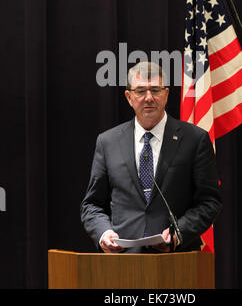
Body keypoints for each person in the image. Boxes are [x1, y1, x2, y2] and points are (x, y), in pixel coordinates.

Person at [80, 61, 222, 253]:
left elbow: (209, 201)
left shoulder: (195, 140)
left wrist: (179, 233)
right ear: (129, 97)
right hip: (122, 262)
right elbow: (92, 204)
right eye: (140, 91)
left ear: (166, 94)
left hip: (177, 260)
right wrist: (104, 233)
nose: (148, 98)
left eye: (155, 90)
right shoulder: (108, 142)